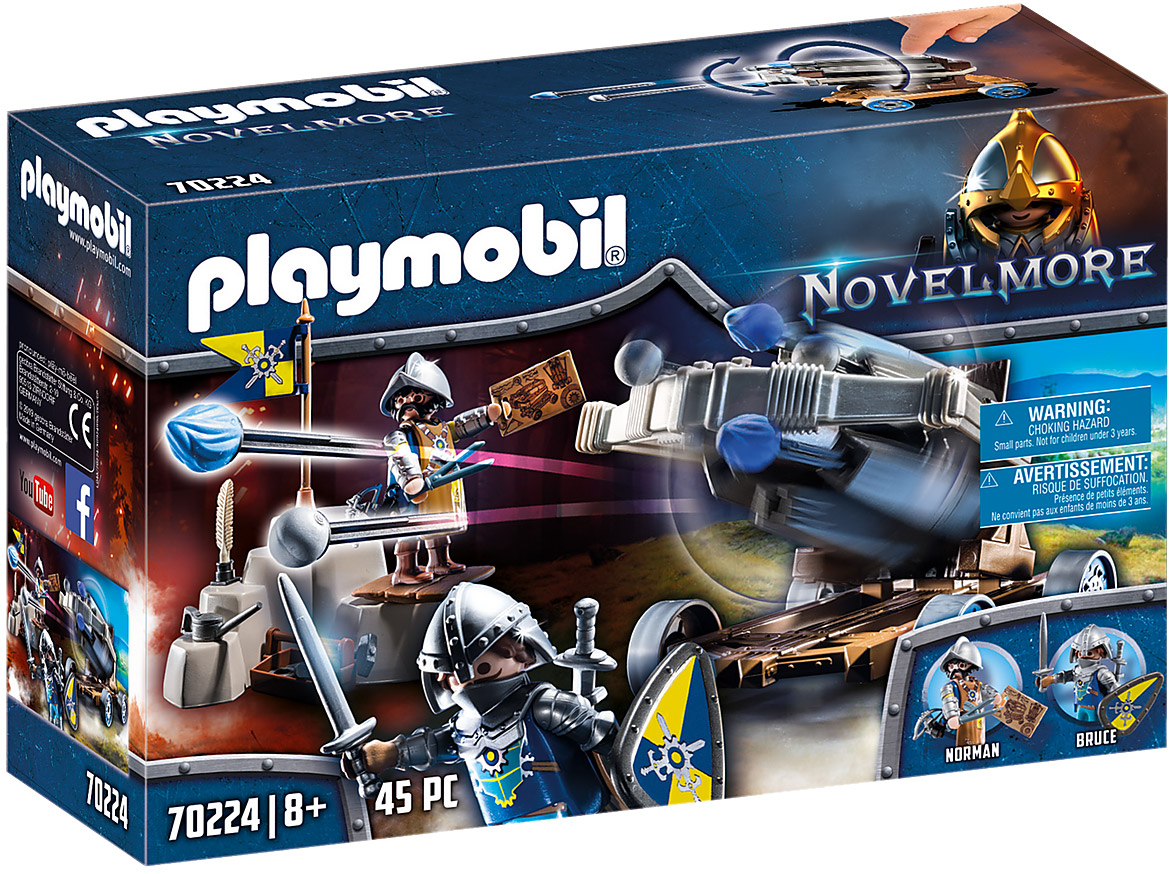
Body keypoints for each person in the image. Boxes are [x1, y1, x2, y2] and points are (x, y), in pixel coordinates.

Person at [355, 582, 616, 823]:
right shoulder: (465, 727)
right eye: (451, 672)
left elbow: (615, 747)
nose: (458, 678)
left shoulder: (544, 707)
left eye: (475, 667)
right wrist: (388, 753)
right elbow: (433, 745)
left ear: (519, 652)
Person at [378, 353, 507, 583]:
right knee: (410, 529)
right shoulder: (402, 433)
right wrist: (412, 480)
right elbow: (399, 453)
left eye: (415, 396)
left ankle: (439, 561)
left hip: (441, 489)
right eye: (400, 399)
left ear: (434, 397)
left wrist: (487, 415)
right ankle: (405, 569)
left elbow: (462, 425)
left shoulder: (443, 428)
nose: (406, 402)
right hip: (415, 491)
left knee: (439, 525)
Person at [1036, 624, 1119, 723]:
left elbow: (1116, 691)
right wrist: (1050, 680)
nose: (1084, 656)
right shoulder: (1077, 671)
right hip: (1080, 707)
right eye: (1080, 653)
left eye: (1089, 653)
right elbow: (1064, 676)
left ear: (1101, 652)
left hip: (1095, 709)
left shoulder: (1102, 673)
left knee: (1095, 727)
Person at [940, 636, 1004, 746]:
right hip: (964, 724)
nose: (955, 669)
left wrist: (995, 696)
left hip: (979, 724)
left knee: (979, 744)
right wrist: (952, 716)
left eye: (961, 665)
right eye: (951, 666)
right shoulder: (951, 687)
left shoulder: (977, 685)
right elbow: (949, 700)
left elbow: (989, 693)